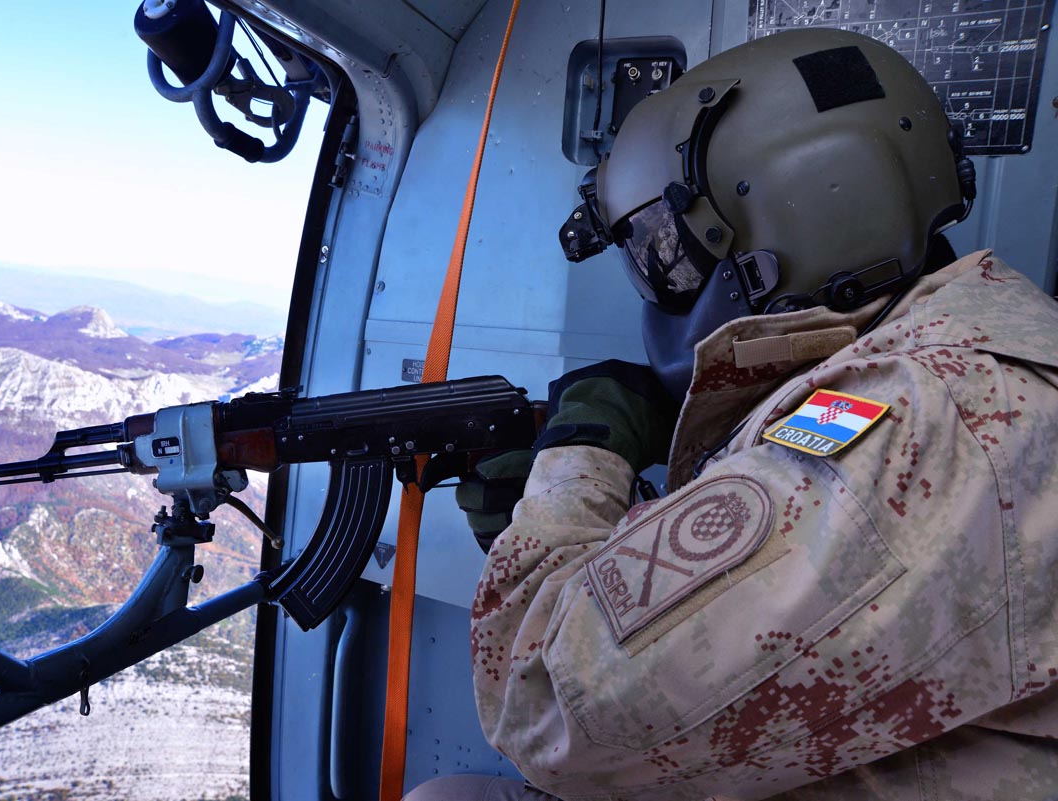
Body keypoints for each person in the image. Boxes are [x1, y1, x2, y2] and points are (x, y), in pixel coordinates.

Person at [408, 26, 1058, 801]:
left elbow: (547, 706)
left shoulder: (920, 423)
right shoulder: (957, 356)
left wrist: (578, 463)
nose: (657, 286)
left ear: (810, 211)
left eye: (667, 255)